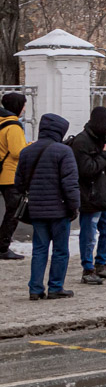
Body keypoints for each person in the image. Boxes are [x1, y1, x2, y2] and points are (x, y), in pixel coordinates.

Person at [17, 113, 77, 300]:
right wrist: (74, 206)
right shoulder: (64, 151)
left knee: (39, 249)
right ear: (60, 131)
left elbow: (18, 183)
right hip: (60, 210)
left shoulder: (27, 151)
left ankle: (35, 289)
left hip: (36, 209)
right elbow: (70, 183)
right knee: (60, 250)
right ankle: (55, 287)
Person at [70, 107, 106, 285]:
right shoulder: (82, 142)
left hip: (104, 195)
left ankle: (101, 264)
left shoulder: (104, 140)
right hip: (90, 196)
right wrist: (105, 156)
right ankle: (88, 268)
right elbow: (86, 170)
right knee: (89, 234)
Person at [0, 92, 29, 261]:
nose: (24, 109)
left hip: (1, 173)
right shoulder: (13, 126)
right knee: (14, 212)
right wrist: (30, 147)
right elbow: (18, 152)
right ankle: (2, 247)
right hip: (11, 175)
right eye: (23, 105)